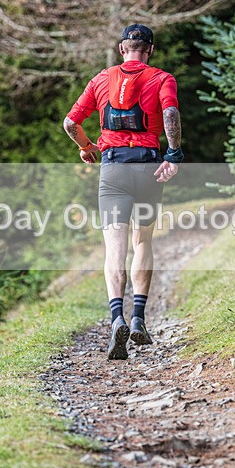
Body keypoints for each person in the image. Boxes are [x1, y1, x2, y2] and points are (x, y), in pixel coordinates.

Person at [63, 24, 184, 360]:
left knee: (113, 248)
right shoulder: (162, 78)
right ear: (150, 50)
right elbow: (171, 112)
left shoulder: (101, 80)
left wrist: (87, 147)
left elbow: (70, 123)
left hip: (113, 168)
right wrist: (173, 154)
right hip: (147, 166)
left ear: (122, 49)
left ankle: (116, 316)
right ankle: (137, 318)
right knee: (142, 241)